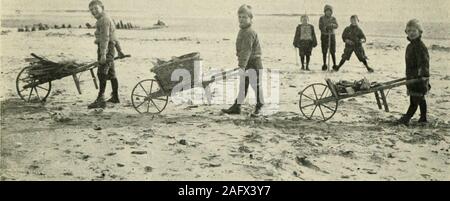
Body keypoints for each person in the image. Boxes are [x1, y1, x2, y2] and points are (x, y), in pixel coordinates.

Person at [221, 4, 264, 116]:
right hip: (248, 63)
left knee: (255, 86)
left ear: (250, 18)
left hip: (254, 63)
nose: (241, 19)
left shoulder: (249, 32)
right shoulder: (243, 31)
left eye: (244, 17)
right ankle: (237, 106)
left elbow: (246, 51)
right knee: (243, 86)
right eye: (240, 17)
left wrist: (242, 66)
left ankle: (260, 106)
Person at [87, 0, 121, 109]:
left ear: (102, 7)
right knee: (111, 73)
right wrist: (119, 51)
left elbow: (105, 38)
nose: (93, 11)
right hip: (109, 48)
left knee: (102, 73)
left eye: (96, 8)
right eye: (91, 10)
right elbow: (114, 36)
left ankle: (100, 99)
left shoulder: (104, 20)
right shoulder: (106, 18)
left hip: (106, 49)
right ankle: (115, 97)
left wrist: (103, 54)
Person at [397, 19, 431, 126]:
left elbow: (424, 62)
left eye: (414, 31)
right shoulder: (410, 46)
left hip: (419, 77)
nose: (411, 33)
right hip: (412, 77)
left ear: (420, 32)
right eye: (409, 31)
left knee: (414, 100)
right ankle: (423, 118)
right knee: (420, 98)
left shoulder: (420, 46)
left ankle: (407, 118)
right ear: (406, 32)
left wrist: (423, 75)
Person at [319, 4, 338, 71]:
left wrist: (332, 25)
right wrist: (326, 28)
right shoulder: (321, 18)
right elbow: (320, 27)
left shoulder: (333, 18)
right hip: (324, 36)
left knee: (332, 51)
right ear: (325, 11)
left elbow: (336, 25)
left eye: (330, 11)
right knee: (324, 51)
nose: (328, 12)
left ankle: (335, 64)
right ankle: (324, 64)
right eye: (327, 11)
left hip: (332, 35)